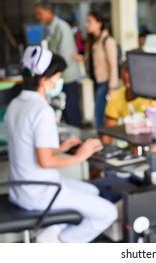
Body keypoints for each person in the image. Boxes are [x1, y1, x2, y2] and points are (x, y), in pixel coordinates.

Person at [5, 46, 117, 242]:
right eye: (57, 76)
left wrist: (61, 149)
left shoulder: (15, 105)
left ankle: (52, 230)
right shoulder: (41, 110)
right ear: (44, 80)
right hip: (40, 192)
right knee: (108, 213)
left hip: (20, 189)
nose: (59, 81)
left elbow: (27, 145)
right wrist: (79, 156)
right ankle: (57, 245)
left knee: (92, 191)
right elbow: (45, 161)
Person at [104, 62, 156, 172]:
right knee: (110, 168)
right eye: (125, 71)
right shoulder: (116, 97)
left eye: (131, 71)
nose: (127, 76)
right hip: (133, 151)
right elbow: (108, 134)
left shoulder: (153, 98)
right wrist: (105, 156)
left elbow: (153, 133)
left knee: (121, 171)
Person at [34, 1, 83, 128]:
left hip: (67, 79)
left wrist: (51, 75)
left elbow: (64, 59)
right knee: (63, 115)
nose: (38, 17)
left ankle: (77, 143)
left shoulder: (62, 27)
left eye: (40, 13)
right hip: (57, 79)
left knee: (71, 114)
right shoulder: (49, 28)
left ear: (49, 11)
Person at [73, 11, 119, 129]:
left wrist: (112, 87)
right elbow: (93, 60)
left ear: (99, 23)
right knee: (99, 114)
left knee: (100, 114)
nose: (87, 24)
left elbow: (113, 65)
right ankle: (102, 140)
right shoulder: (93, 41)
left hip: (105, 83)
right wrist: (81, 58)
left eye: (90, 21)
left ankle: (104, 141)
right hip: (96, 81)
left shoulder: (107, 41)